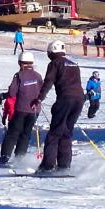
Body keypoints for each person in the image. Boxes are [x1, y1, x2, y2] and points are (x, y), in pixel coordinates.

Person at [37, 42, 86, 176]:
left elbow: (48, 81)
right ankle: (64, 165)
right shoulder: (74, 64)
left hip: (66, 99)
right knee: (66, 132)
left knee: (55, 133)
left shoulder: (55, 63)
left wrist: (39, 98)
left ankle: (48, 166)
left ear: (51, 52)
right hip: (79, 99)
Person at [0, 55, 43, 166]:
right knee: (26, 134)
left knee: (13, 132)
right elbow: (42, 91)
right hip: (35, 110)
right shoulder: (38, 76)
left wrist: (4, 95)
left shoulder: (19, 76)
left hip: (21, 109)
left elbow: (12, 93)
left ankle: (5, 156)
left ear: (20, 63)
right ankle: (20, 157)